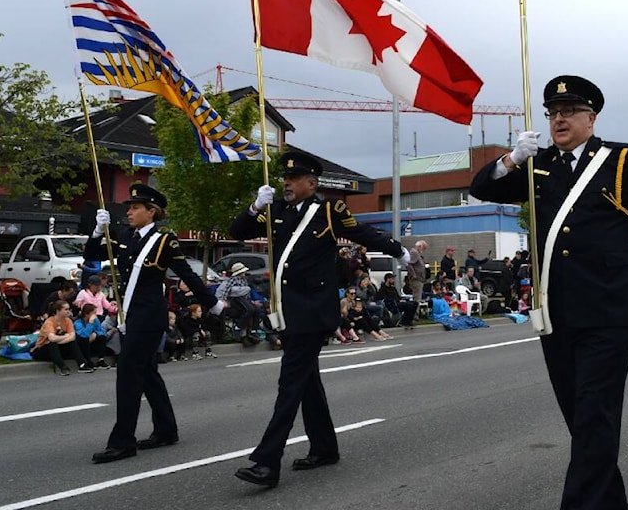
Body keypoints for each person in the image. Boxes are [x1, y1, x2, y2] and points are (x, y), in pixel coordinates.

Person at [469, 74, 628, 510]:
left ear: (590, 118)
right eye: (553, 113)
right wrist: (511, 159)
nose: (559, 119)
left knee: (594, 417)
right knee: (583, 420)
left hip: (609, 309)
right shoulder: (538, 166)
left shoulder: (622, 160)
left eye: (569, 112)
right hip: (557, 312)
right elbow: (482, 188)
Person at [229, 151, 410, 489]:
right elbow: (236, 230)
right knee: (306, 383)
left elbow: (363, 233)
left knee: (290, 385)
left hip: (312, 312)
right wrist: (255, 207)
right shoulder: (277, 211)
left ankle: (267, 462)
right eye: (285, 178)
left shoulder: (328, 211)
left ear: (311, 184)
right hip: (288, 311)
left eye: (294, 179)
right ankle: (325, 447)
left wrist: (397, 249)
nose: (286, 182)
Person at [85, 183, 217, 464]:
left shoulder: (164, 241)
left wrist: (212, 302)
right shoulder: (127, 237)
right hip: (130, 313)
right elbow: (92, 256)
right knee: (146, 374)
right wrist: (97, 232)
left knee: (128, 374)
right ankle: (166, 430)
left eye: (135, 207)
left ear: (151, 211)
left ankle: (123, 441)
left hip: (149, 316)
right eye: (129, 207)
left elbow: (188, 275)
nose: (129, 211)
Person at [31, 299, 92, 375]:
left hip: (59, 348)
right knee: (52, 343)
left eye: (69, 309)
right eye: (66, 309)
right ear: (58, 311)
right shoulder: (49, 322)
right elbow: (52, 338)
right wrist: (65, 336)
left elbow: (72, 336)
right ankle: (63, 367)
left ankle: (82, 365)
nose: (68, 311)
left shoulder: (68, 321)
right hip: (43, 350)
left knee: (72, 342)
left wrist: (60, 341)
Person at [74, 303, 109, 369]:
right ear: (87, 314)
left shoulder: (96, 320)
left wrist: (95, 333)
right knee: (85, 339)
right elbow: (84, 334)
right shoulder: (78, 322)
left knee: (102, 337)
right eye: (93, 313)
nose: (95, 315)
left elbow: (101, 331)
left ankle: (101, 360)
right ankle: (87, 361)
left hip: (92, 338)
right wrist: (90, 323)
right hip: (81, 341)